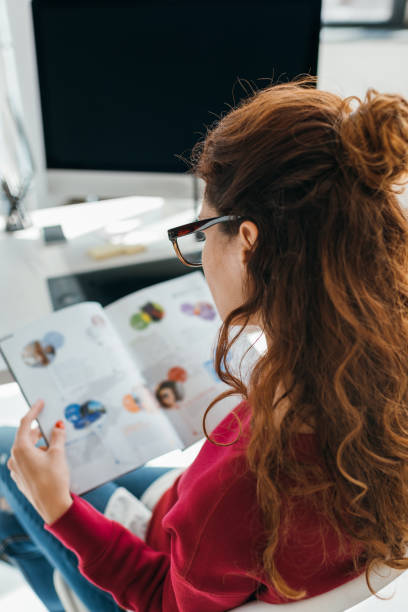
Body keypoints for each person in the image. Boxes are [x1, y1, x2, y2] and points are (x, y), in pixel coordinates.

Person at [1, 77, 408, 611]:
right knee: (17, 514)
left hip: (167, 559)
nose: (199, 251)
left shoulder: (244, 490)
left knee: (10, 459)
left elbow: (159, 596)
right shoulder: (367, 365)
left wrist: (61, 510)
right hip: (192, 525)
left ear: (247, 245)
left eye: (202, 229)